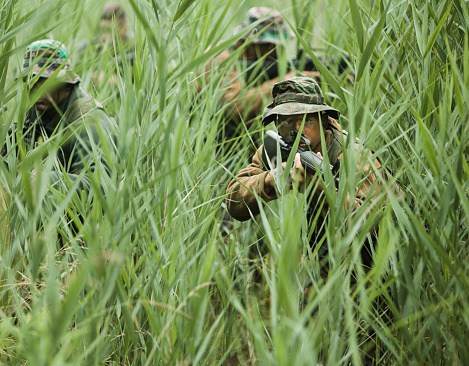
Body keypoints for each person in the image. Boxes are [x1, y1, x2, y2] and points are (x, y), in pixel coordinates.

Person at [226, 76, 393, 258]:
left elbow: (372, 226)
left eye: (306, 121)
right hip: (321, 257)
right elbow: (234, 202)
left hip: (373, 262)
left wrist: (315, 186)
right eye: (288, 122)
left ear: (323, 120)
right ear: (276, 124)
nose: (297, 130)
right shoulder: (277, 147)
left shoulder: (351, 155)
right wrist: (270, 179)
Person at [1, 39, 117, 236]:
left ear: (65, 83)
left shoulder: (89, 121)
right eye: (32, 81)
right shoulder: (39, 108)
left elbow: (100, 187)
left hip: (81, 232)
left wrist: (43, 180)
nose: (38, 89)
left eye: (47, 82)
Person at [202, 7, 320, 142]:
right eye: (271, 46)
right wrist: (283, 82)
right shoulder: (218, 57)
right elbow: (235, 107)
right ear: (252, 43)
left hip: (235, 139)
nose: (276, 52)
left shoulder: (253, 61)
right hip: (208, 140)